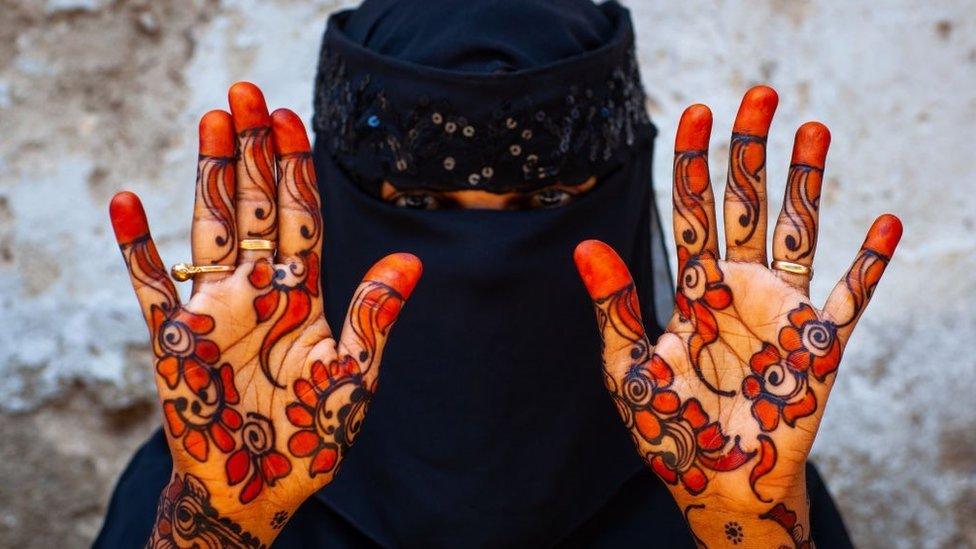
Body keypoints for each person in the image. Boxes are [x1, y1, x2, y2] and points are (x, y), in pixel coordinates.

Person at [96, 0, 901, 546]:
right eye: (416, 199)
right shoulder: (219, 475)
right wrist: (215, 528)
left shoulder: (735, 470)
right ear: (336, 207)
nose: (483, 264)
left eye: (546, 197)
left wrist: (749, 531)